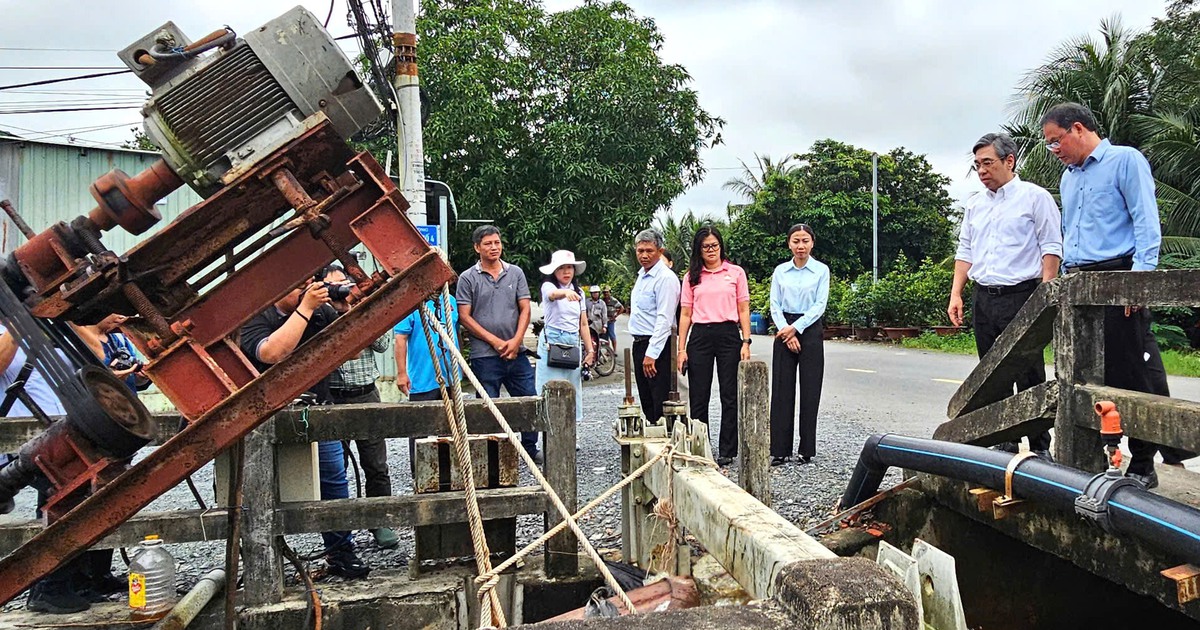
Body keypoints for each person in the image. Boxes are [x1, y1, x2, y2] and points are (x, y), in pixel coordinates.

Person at [1042, 102, 1190, 488]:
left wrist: (1139, 281)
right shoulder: (1069, 178)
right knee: (1086, 374)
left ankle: (1144, 462)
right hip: (1079, 283)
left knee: (1132, 370)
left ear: (1078, 129)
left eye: (1056, 142)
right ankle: (1101, 454)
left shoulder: (1125, 160)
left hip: (1118, 274)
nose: (1054, 151)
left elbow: (1145, 219)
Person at [239, 281, 370, 579]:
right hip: (265, 417)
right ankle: (259, 559)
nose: (304, 290)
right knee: (260, 486)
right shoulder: (256, 318)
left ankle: (341, 551)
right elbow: (271, 353)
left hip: (316, 410)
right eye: (296, 286)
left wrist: (344, 311)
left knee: (334, 482)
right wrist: (306, 307)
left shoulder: (321, 313)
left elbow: (351, 350)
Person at [948, 132, 1062, 457]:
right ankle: (1002, 442)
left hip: (1022, 296)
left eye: (988, 163)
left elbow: (1051, 246)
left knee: (1029, 373)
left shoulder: (1034, 198)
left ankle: (1041, 448)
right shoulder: (975, 204)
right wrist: (957, 294)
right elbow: (965, 251)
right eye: (977, 165)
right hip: (984, 298)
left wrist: (1045, 295)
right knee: (990, 375)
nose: (982, 170)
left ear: (1009, 161)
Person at [0, 325, 117, 613]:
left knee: (79, 498)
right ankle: (48, 587)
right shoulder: (8, 330)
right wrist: (18, 326)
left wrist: (72, 323)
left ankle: (77, 581)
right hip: (24, 439)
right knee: (59, 501)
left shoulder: (55, 329)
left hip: (63, 433)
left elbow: (98, 359)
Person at [317, 265, 397, 550]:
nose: (340, 291)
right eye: (333, 286)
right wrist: (332, 309)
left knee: (376, 463)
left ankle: (380, 520)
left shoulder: (362, 306)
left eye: (344, 284)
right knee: (334, 468)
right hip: (332, 396)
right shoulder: (318, 315)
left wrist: (358, 307)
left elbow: (382, 343)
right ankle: (340, 531)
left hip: (366, 392)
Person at [456, 226, 539, 457]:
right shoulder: (467, 277)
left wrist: (515, 341)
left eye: (497, 242)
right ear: (477, 247)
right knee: (488, 406)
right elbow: (464, 316)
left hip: (517, 351)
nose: (494, 247)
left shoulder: (515, 273)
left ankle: (530, 450)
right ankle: (492, 454)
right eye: (487, 244)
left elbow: (525, 309)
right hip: (484, 354)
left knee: (529, 401)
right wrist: (494, 341)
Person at [676, 226, 751, 467]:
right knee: (699, 394)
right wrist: (681, 348)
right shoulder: (691, 276)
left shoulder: (736, 273)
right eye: (706, 246)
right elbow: (685, 314)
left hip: (729, 333)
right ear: (699, 249)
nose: (711, 250)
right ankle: (701, 445)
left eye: (714, 246)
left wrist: (746, 341)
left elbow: (743, 309)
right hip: (700, 335)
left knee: (730, 394)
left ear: (721, 247)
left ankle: (728, 450)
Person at [768, 224, 830, 467]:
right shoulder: (781, 271)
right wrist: (787, 330)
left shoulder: (821, 271)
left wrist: (798, 328)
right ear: (789, 243)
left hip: (810, 328)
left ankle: (806, 449)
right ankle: (779, 449)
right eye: (796, 241)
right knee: (782, 390)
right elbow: (774, 304)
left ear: (812, 243)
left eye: (805, 241)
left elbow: (820, 305)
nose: (800, 246)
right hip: (784, 327)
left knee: (810, 389)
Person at [394, 292, 460, 472]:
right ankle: (420, 474)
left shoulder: (450, 301)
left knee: (451, 426)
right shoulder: (411, 302)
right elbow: (400, 338)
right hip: (422, 376)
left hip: (451, 375)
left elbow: (455, 331)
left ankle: (450, 473)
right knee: (420, 428)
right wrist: (401, 373)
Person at [628, 229, 680, 425]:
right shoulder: (641, 276)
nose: (644, 255)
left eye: (649, 250)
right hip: (640, 342)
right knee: (647, 399)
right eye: (640, 250)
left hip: (657, 345)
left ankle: (666, 443)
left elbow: (664, 319)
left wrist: (652, 353)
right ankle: (653, 437)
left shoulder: (665, 278)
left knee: (660, 400)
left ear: (660, 251)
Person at [535, 251, 594, 423]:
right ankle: (544, 434)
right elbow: (552, 295)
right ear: (554, 271)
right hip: (552, 340)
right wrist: (564, 294)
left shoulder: (579, 293)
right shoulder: (548, 286)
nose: (566, 272)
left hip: (572, 341)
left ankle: (571, 435)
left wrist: (589, 349)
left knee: (572, 388)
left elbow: (583, 323)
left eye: (569, 267)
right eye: (561, 268)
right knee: (547, 388)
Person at [602, 287, 623, 354]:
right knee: (605, 336)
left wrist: (616, 315)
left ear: (610, 292)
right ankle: (608, 351)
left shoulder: (613, 300)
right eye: (604, 292)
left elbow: (621, 308)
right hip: (604, 320)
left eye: (607, 292)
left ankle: (614, 350)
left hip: (611, 320)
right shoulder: (602, 301)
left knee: (612, 335)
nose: (606, 294)